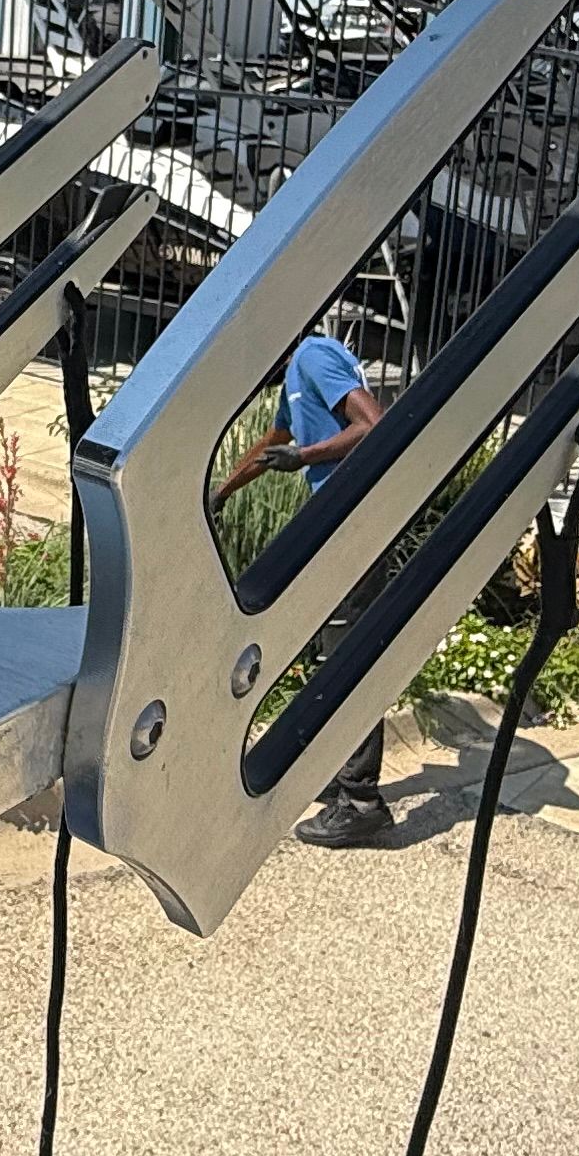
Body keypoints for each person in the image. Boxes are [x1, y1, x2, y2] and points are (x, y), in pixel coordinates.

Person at [213, 325, 402, 849]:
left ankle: (361, 802)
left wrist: (304, 457)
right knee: (329, 650)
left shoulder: (314, 356)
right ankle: (338, 770)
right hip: (336, 521)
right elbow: (274, 442)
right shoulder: (297, 372)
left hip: (354, 520)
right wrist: (222, 492)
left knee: (346, 657)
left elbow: (373, 425)